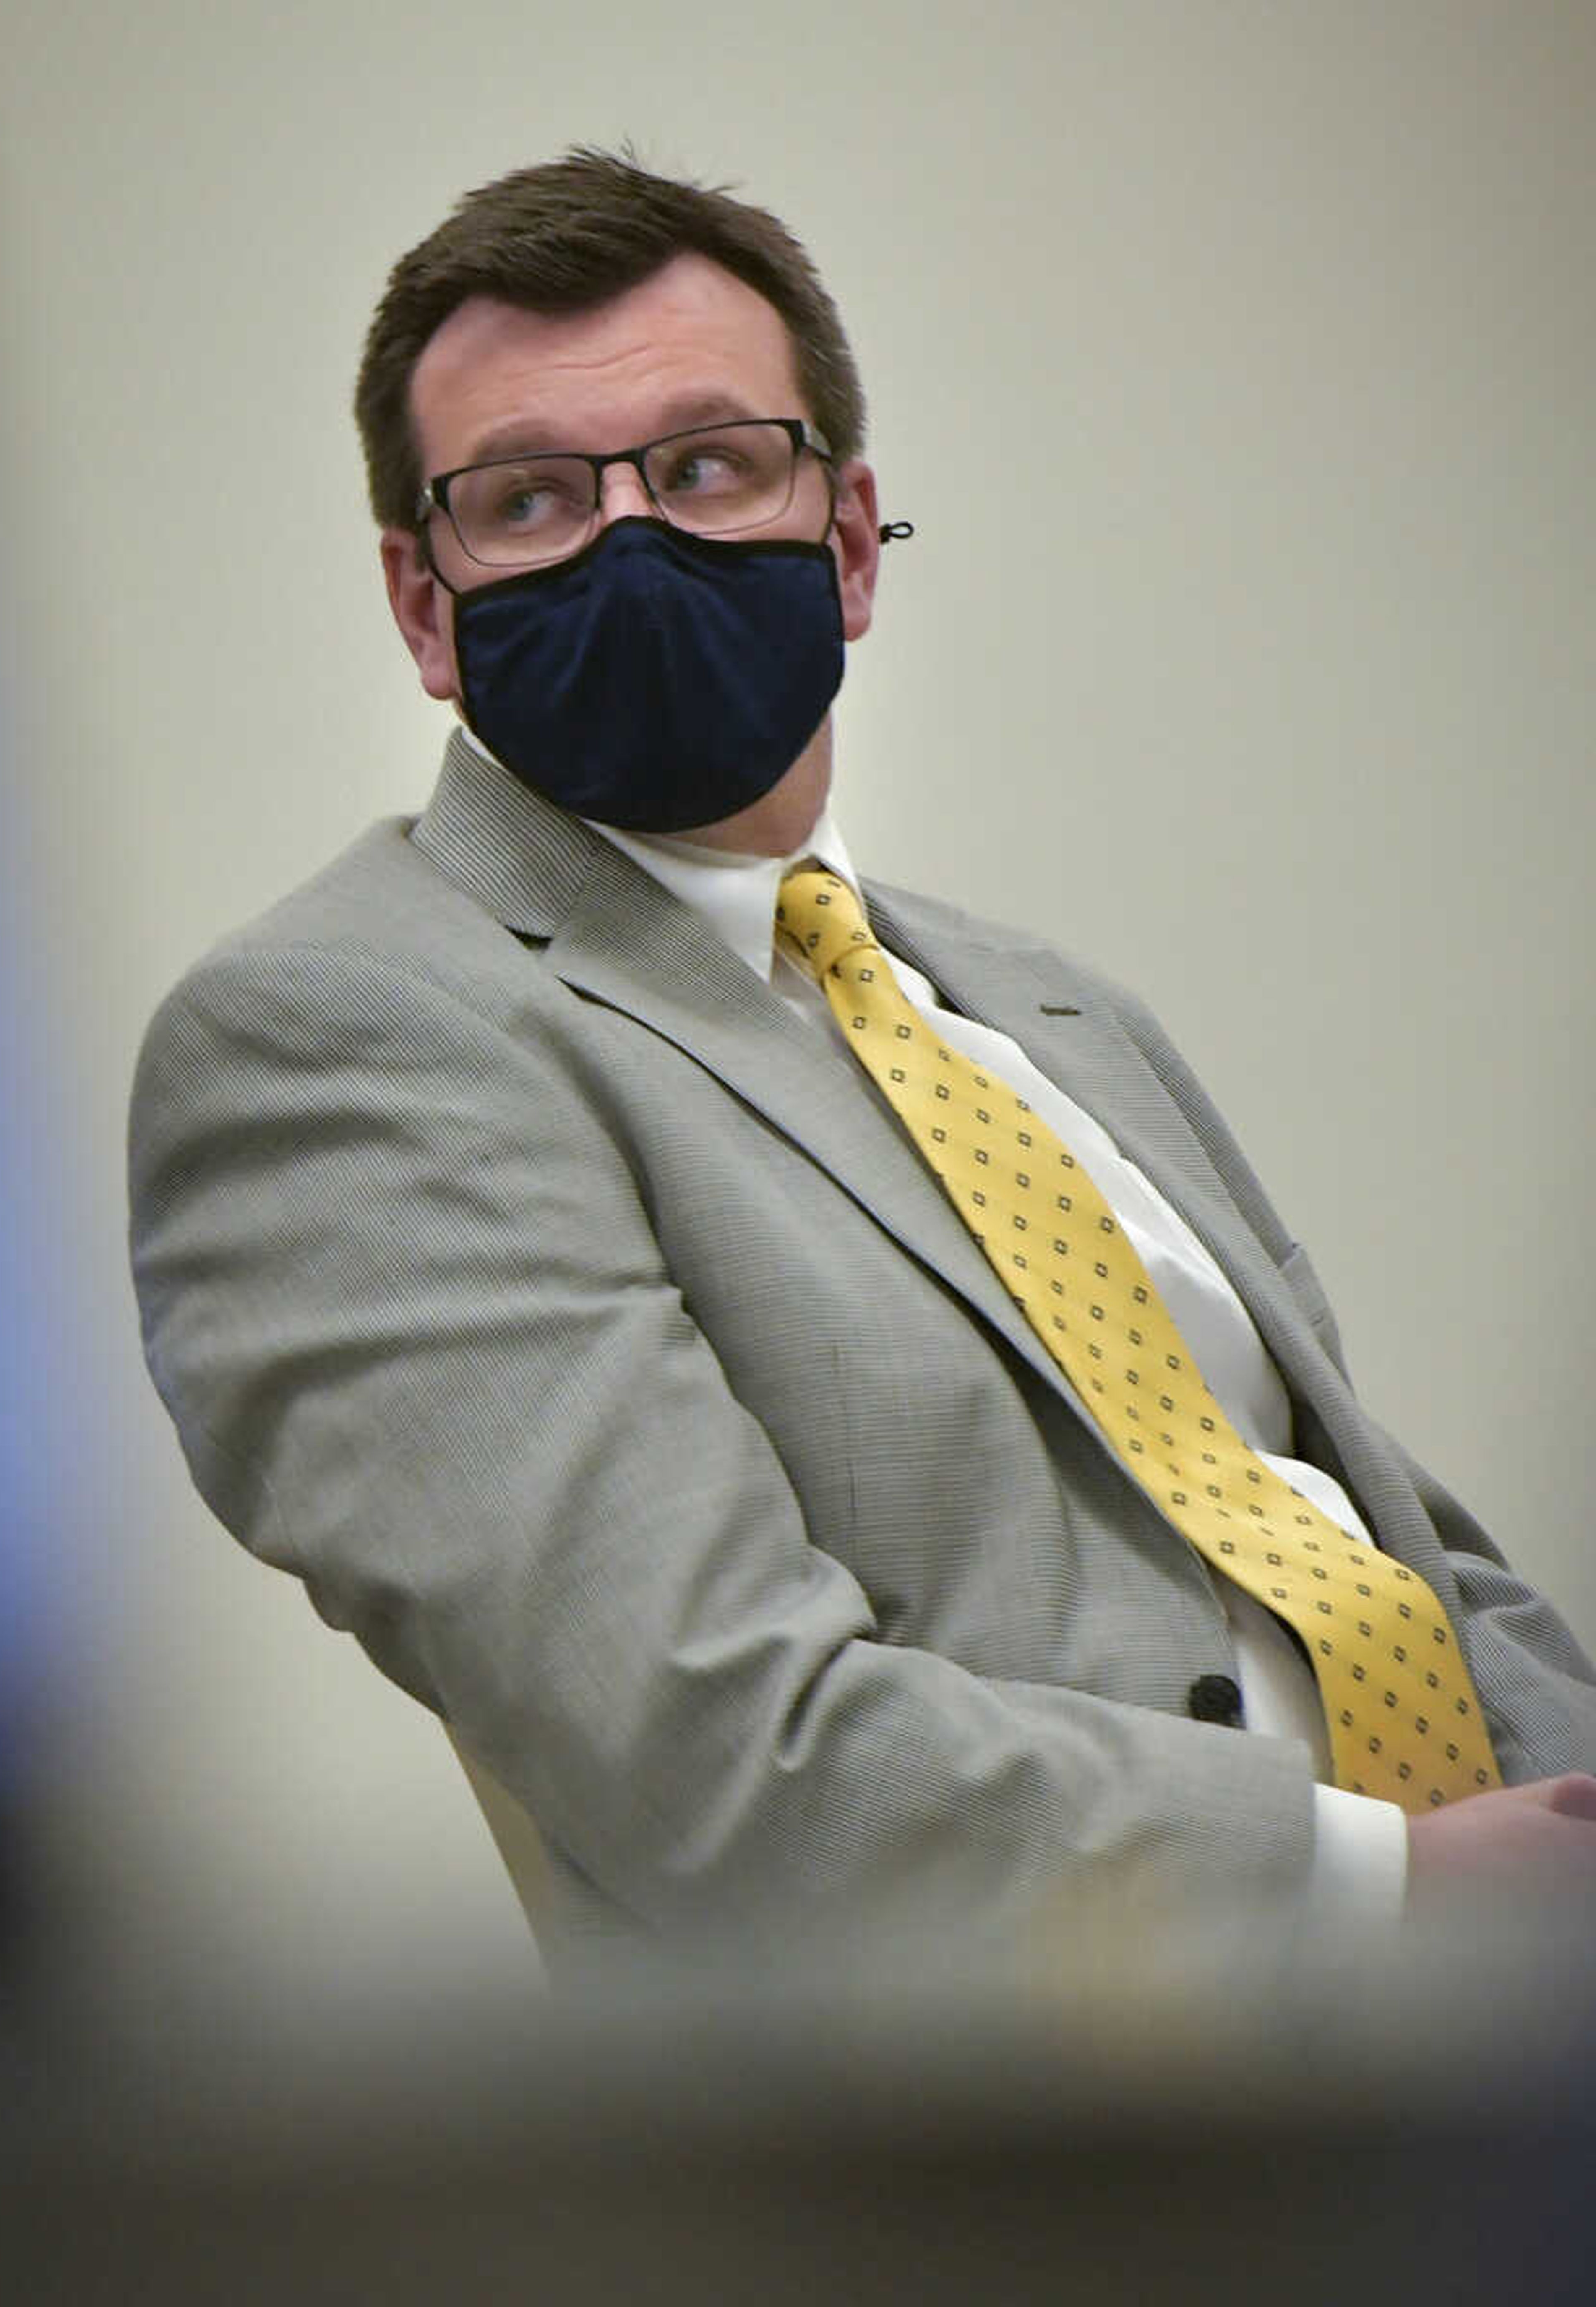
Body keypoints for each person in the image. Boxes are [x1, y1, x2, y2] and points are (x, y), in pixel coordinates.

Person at [129, 149, 1596, 1977]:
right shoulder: (343, 1035)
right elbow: (719, 1760)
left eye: (707, 466)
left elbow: (1399, 1556)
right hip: (1066, 2145)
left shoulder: (1039, 1006)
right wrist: (1391, 1890)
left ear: (844, 540)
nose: (630, 542)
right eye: (526, 499)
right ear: (426, 607)